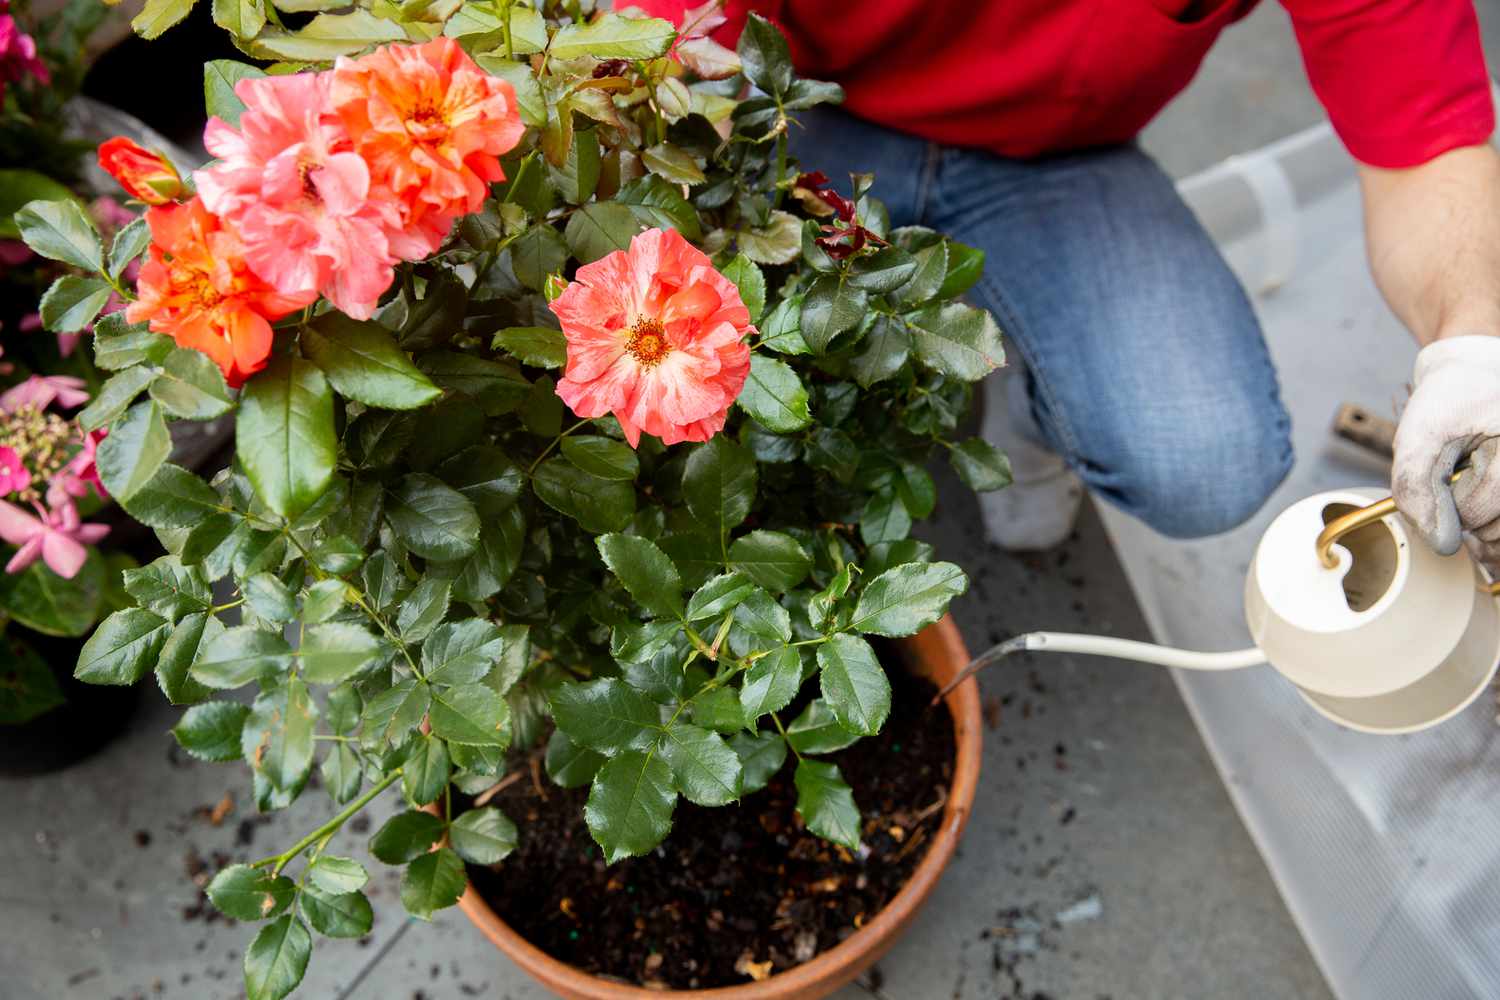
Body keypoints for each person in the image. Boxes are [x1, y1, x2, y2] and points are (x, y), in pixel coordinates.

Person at [634, 0, 1500, 564]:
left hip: (1054, 160)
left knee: (1204, 461)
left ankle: (1030, 390)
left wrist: (1473, 345)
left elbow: (1428, 143)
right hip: (810, 114)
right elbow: (645, 47)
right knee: (666, 366)